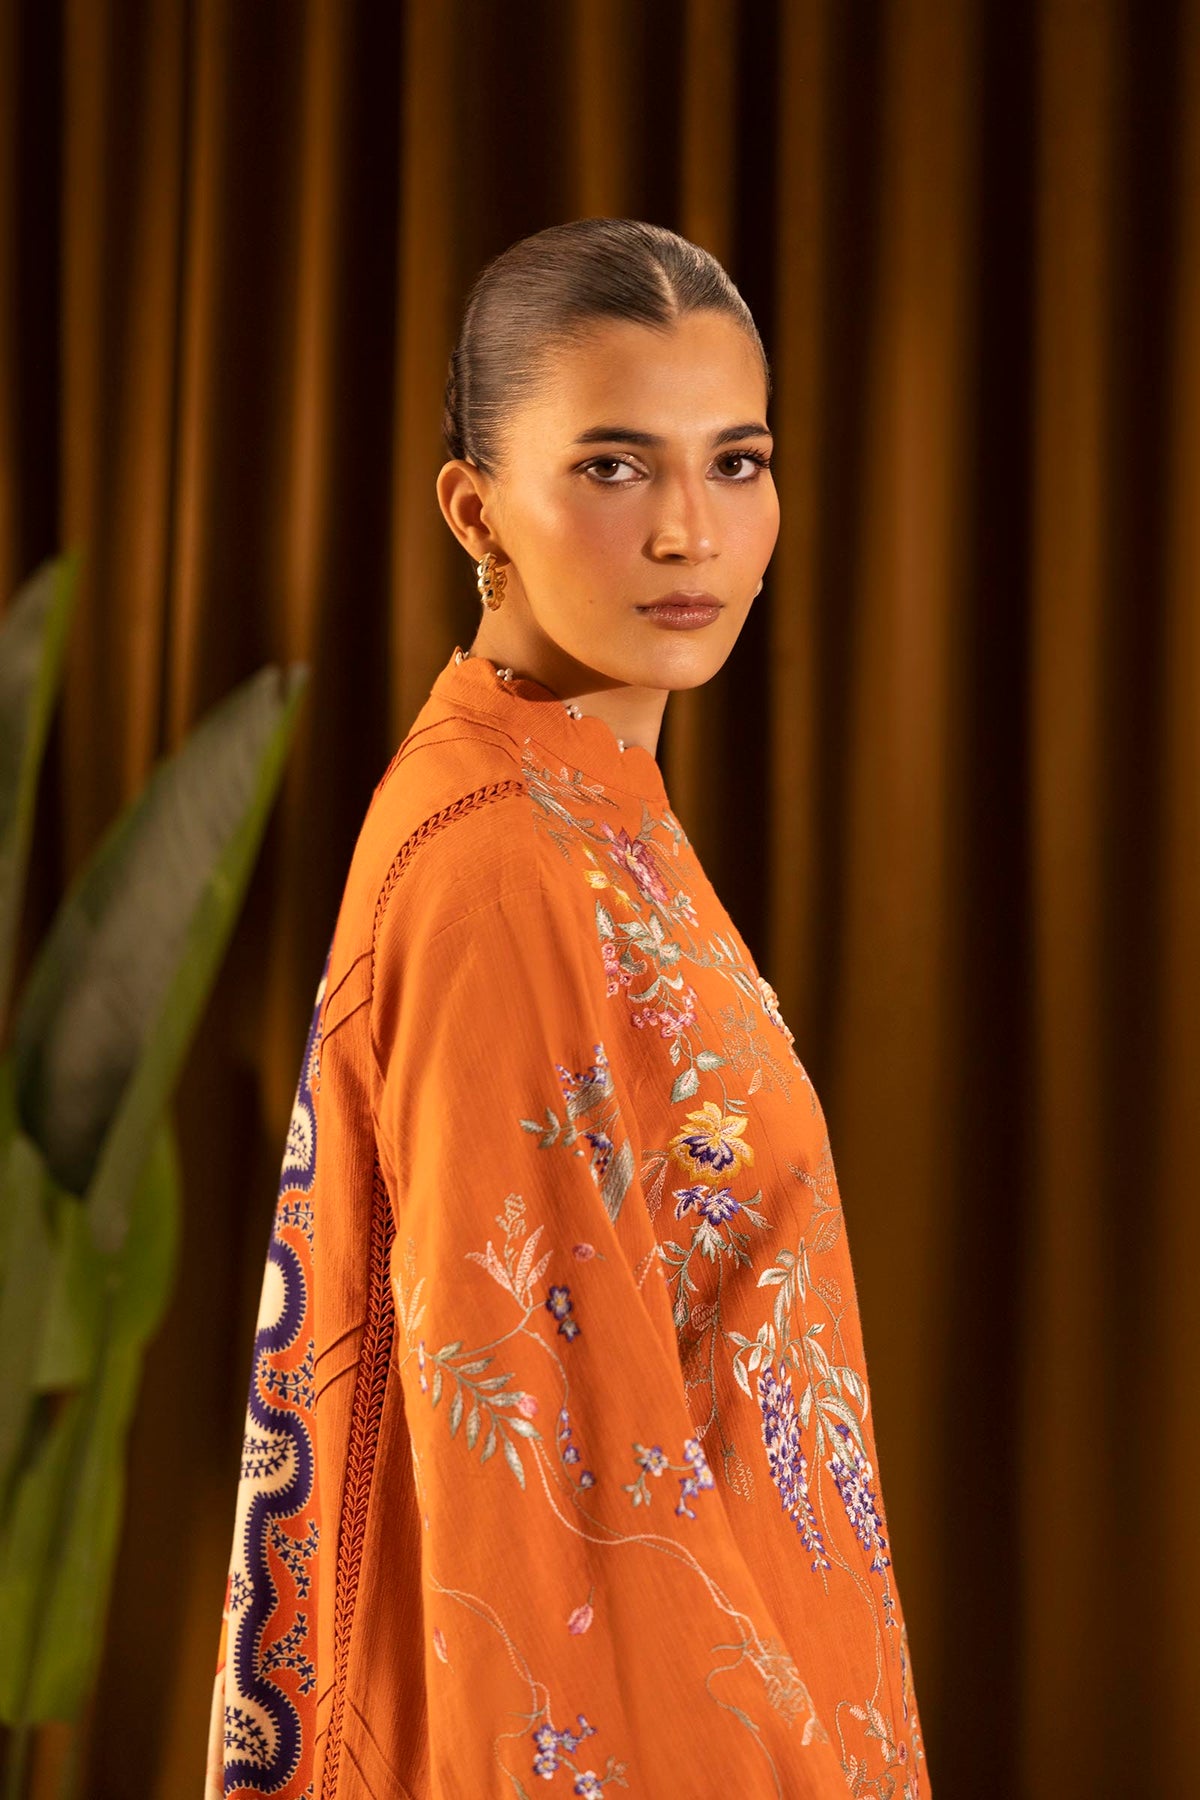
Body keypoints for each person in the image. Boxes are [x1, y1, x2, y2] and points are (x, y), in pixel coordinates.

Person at [206, 218, 930, 1799]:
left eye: (736, 463)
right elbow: (545, 1511)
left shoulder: (591, 805)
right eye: (613, 466)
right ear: (477, 510)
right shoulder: (502, 865)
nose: (690, 532)